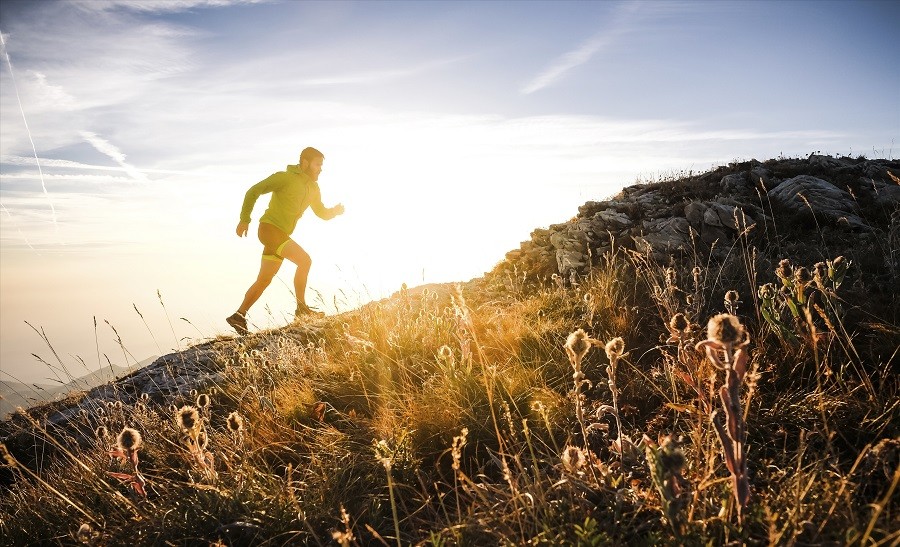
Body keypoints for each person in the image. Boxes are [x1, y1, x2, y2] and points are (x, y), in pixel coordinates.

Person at [226, 147, 344, 335]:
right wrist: (244, 219)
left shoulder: (313, 188)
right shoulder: (284, 178)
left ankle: (238, 316)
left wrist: (334, 212)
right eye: (317, 164)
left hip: (279, 235)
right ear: (305, 163)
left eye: (322, 165)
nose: (320, 169)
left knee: (264, 280)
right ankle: (301, 308)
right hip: (269, 230)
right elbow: (253, 191)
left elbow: (321, 212)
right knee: (305, 261)